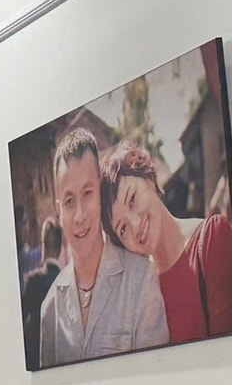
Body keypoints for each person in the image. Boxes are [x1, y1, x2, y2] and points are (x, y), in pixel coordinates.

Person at [38, 128, 167, 366]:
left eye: (88, 193)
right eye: (69, 201)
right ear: (58, 210)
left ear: (100, 193)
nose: (79, 216)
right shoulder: (50, 309)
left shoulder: (141, 280)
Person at [99, 139, 232, 341]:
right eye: (122, 228)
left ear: (148, 179)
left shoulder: (211, 240)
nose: (135, 225)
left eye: (132, 199)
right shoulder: (140, 293)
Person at [19, 217, 63, 371]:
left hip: (35, 361)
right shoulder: (67, 284)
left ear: (44, 247)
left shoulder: (32, 281)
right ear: (60, 249)